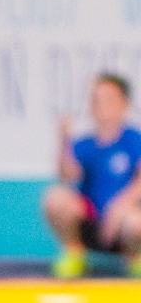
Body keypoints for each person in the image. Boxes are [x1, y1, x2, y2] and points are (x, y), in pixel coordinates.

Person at [44, 73, 141, 279]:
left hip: (123, 225)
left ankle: (136, 258)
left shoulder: (134, 139)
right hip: (92, 223)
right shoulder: (85, 144)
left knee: (136, 221)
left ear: (123, 104)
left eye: (108, 99)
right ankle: (75, 252)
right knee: (55, 197)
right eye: (96, 99)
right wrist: (64, 139)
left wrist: (120, 208)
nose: (100, 105)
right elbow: (67, 175)